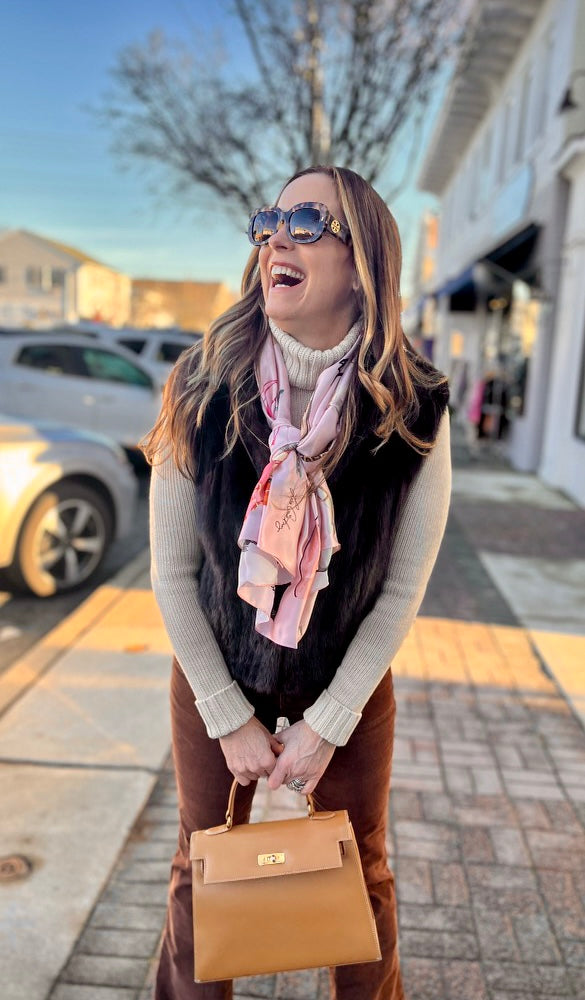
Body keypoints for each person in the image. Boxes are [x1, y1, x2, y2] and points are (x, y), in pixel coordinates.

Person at [143, 165, 452, 1000]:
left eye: (308, 220)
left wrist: (328, 724)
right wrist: (226, 716)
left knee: (362, 872)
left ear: (363, 263)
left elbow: (401, 589)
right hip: (217, 669)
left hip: (346, 678)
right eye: (270, 218)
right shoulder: (200, 384)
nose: (276, 234)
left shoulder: (414, 404)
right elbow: (171, 573)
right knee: (199, 869)